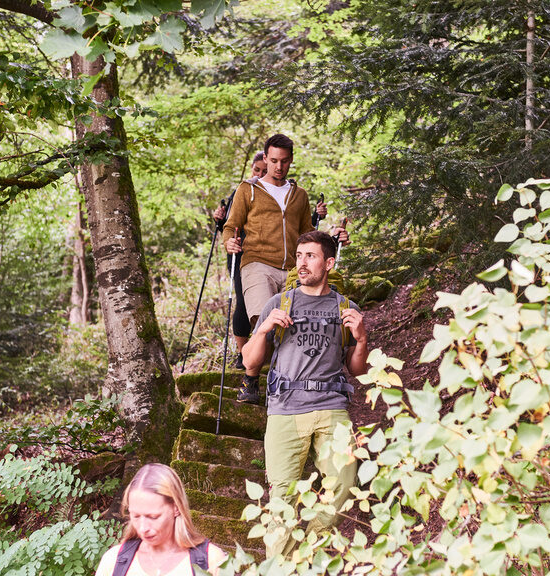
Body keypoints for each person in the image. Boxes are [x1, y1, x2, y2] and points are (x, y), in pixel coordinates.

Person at [241, 231, 368, 557]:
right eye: (298, 256)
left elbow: (358, 370)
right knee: (281, 495)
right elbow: (250, 361)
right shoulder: (278, 303)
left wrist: (362, 338)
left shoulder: (345, 307)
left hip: (332, 407)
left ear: (329, 262)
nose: (301, 263)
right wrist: (266, 327)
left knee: (344, 482)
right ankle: (279, 566)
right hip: (285, 409)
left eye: (310, 256)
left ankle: (305, 552)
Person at [223, 134, 338, 403]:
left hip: (292, 269)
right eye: (273, 160)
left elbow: (309, 235)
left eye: (284, 161)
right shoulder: (247, 191)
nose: (278, 166)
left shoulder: (299, 196)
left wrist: (333, 239)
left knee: (295, 325)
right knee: (267, 320)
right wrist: (229, 241)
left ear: (291, 161)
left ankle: (287, 379)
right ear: (265, 158)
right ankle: (250, 380)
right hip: (257, 263)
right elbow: (231, 225)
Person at [95, 463, 227, 576]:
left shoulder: (211, 560)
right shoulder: (113, 562)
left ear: (176, 508)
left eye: (153, 517)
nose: (143, 528)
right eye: (135, 516)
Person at [212, 152, 269, 369]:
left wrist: (316, 217)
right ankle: (242, 353)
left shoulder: (279, 193)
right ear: (251, 169)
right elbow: (228, 225)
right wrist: (219, 220)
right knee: (243, 302)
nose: (260, 174)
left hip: (267, 257)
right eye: (257, 170)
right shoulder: (240, 191)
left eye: (264, 171)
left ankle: (263, 350)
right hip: (239, 255)